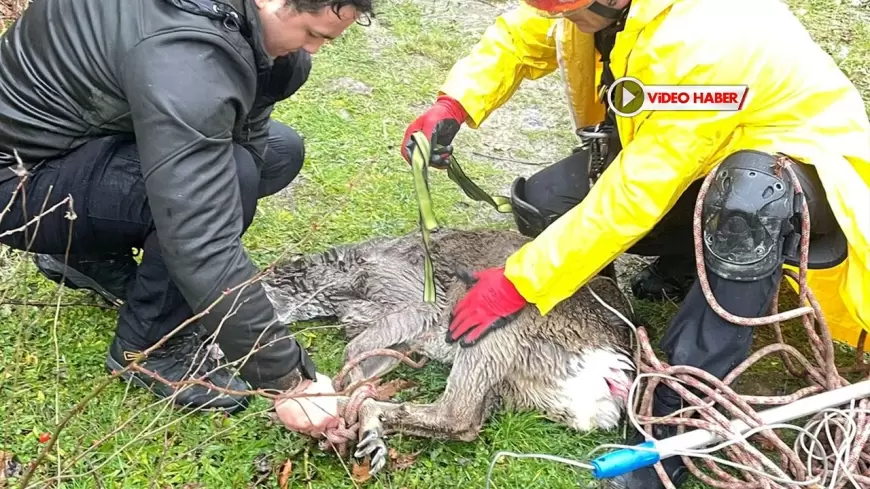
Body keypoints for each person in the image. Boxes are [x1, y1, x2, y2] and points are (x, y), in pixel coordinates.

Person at [402, 0, 870, 487]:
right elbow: (524, 35)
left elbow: (638, 192)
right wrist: (455, 103)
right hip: (698, 153)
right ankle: (670, 272)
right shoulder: (597, 8)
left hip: (798, 174)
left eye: (572, 11)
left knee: (748, 201)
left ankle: (676, 421)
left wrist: (520, 281)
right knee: (549, 199)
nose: (564, 20)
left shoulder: (714, 32)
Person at [0, 0, 368, 434]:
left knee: (274, 155)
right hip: (19, 182)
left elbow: (246, 133)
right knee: (226, 180)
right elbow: (200, 238)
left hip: (83, 137)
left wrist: (235, 190)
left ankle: (82, 255)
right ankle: (152, 348)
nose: (315, 49)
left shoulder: (236, 24)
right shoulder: (185, 54)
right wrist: (290, 381)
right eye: (312, 34)